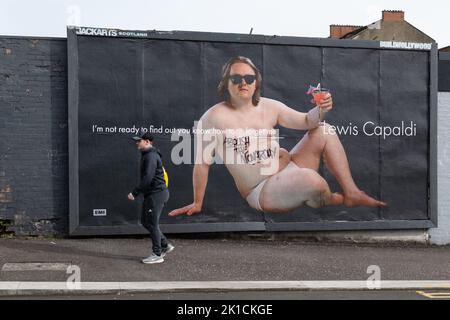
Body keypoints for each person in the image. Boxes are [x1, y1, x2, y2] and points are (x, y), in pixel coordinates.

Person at [169, 56, 386, 217]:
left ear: (256, 82)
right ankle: (330, 198)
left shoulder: (269, 106)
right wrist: (198, 203)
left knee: (324, 130)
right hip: (261, 188)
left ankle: (352, 192)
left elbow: (306, 122)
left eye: (248, 78)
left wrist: (321, 110)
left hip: (289, 166)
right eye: (236, 78)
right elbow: (202, 164)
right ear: (226, 82)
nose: (243, 83)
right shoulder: (213, 118)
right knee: (313, 182)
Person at [128, 132, 174, 264]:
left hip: (157, 194)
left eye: (139, 141)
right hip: (153, 194)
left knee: (152, 224)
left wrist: (135, 193)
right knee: (145, 221)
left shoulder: (151, 156)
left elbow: (148, 177)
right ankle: (164, 244)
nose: (137, 143)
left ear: (147, 142)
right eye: (136, 141)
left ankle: (157, 254)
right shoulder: (148, 155)